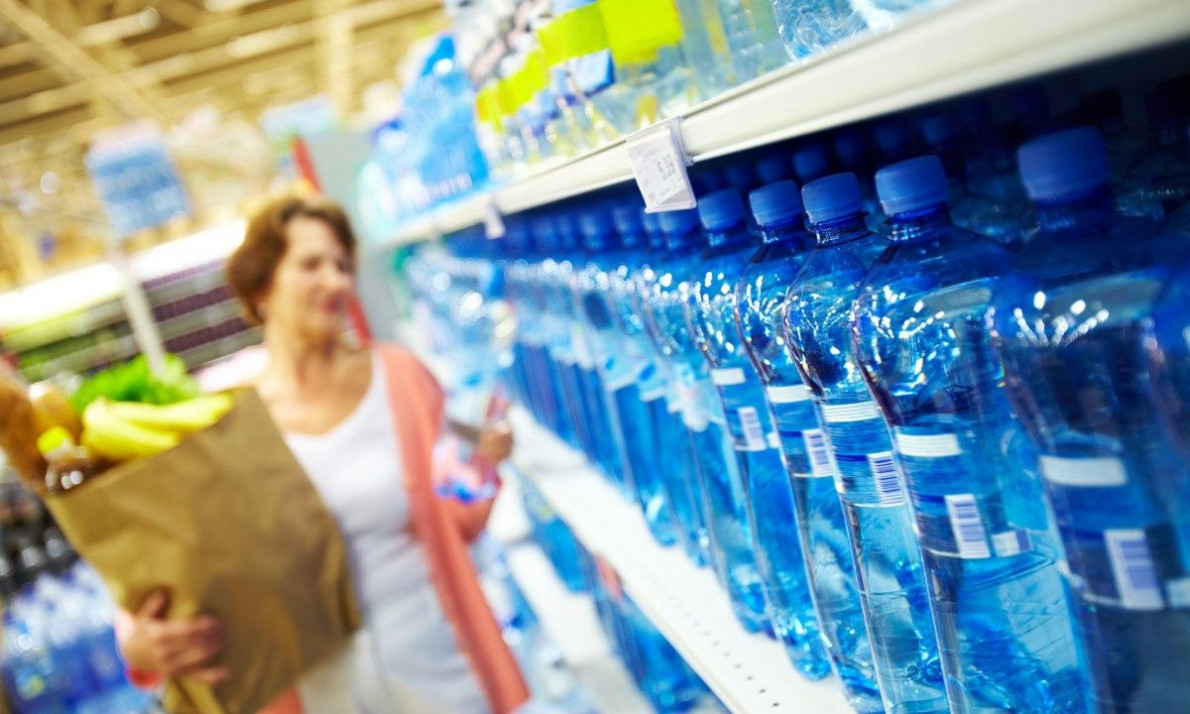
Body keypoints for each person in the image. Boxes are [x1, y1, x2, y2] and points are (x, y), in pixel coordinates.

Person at [116, 196, 530, 713]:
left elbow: (457, 517)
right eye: (311, 264)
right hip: (318, 692)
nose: (335, 281)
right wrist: (136, 637)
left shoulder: (399, 377)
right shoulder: (225, 418)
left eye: (342, 265)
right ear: (261, 285)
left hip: (440, 667)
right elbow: (173, 553)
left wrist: (485, 462)